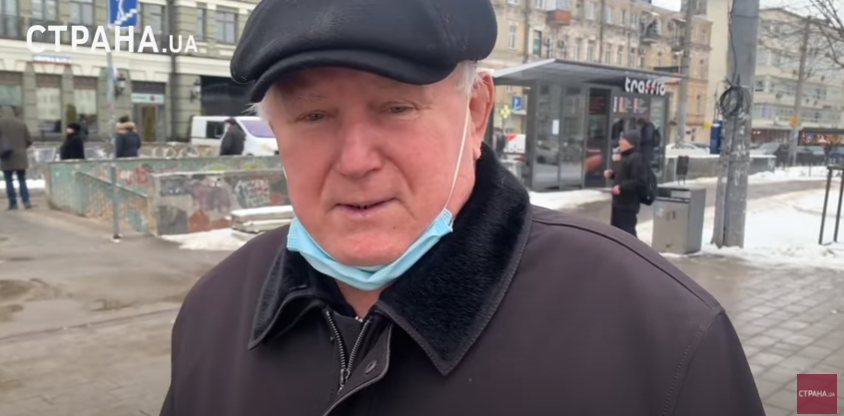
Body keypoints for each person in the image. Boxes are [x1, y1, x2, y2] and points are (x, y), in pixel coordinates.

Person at [159, 0, 765, 415]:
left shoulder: (658, 335)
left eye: (396, 108)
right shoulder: (217, 314)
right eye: (314, 115)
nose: (355, 159)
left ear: (475, 112)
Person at [604, 130, 646, 236]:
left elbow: (638, 181)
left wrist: (621, 187)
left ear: (630, 142)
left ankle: (633, 247)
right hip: (619, 203)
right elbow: (624, 175)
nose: (620, 142)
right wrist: (612, 175)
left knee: (627, 233)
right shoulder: (626, 157)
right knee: (617, 233)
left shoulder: (636, 158)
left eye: (623, 139)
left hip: (628, 204)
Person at [0, 106, 33, 210]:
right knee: (22, 179)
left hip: (6, 155)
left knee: (8, 180)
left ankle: (13, 203)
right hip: (20, 156)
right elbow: (29, 140)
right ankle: (26, 201)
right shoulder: (21, 123)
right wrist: (22, 147)